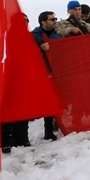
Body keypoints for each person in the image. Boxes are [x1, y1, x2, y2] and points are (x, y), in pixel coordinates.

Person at [31, 11, 63, 140]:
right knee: (47, 101)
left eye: (55, 19)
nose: (55, 21)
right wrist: (39, 48)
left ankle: (55, 127)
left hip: (55, 72)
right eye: (52, 19)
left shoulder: (56, 36)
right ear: (43, 22)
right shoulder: (34, 36)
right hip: (41, 73)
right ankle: (47, 131)